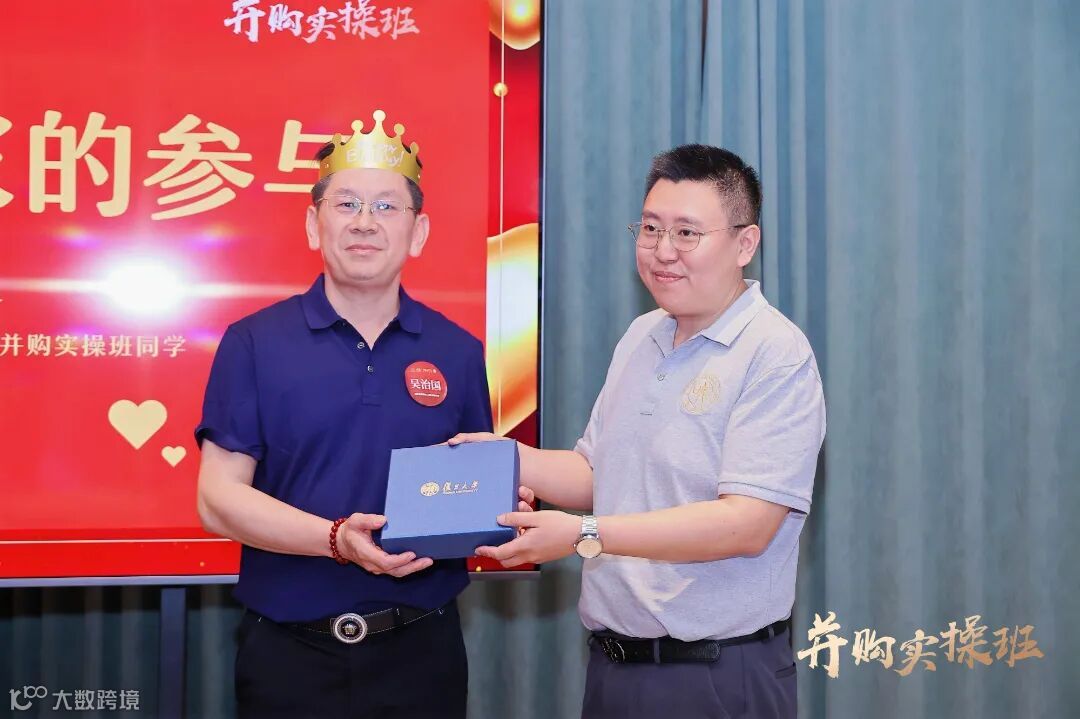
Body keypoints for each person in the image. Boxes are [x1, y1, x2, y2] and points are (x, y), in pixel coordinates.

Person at [451, 144, 826, 718]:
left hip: (717, 675)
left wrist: (584, 535)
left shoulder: (776, 354)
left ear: (744, 244)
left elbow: (746, 524)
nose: (662, 251)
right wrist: (506, 459)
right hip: (614, 667)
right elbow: (597, 473)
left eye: (686, 233)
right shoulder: (643, 334)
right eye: (650, 229)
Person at [195, 109, 517, 719]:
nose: (365, 222)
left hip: (423, 653)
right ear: (312, 224)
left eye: (387, 207)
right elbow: (217, 499)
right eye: (346, 204)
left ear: (419, 232)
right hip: (288, 654)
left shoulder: (457, 350)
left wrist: (500, 507)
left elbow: (471, 481)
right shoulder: (254, 343)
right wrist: (336, 540)